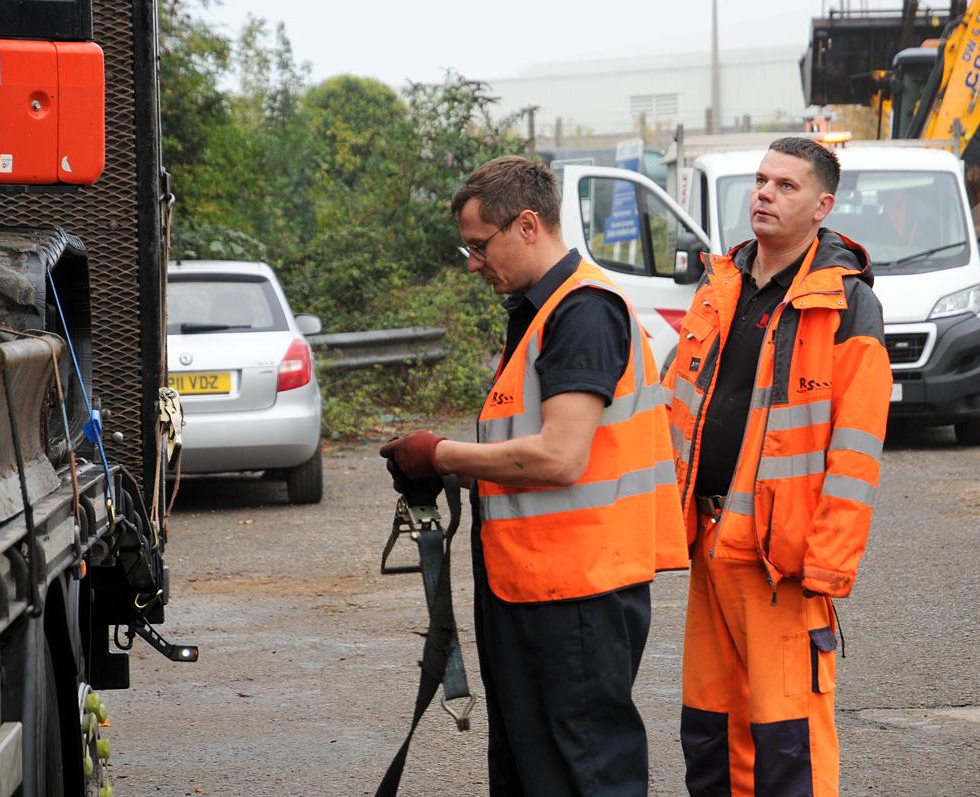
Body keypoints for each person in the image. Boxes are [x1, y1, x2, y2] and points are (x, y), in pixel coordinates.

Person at [380, 155, 688, 796]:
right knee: (535, 774)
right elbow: (529, 455)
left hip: (578, 596)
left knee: (585, 775)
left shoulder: (583, 312)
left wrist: (441, 456)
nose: (473, 264)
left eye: (478, 246)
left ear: (526, 225)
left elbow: (558, 457)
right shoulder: (538, 312)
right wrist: (446, 467)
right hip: (538, 588)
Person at [664, 137, 891, 796]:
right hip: (710, 543)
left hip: (780, 564)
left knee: (789, 742)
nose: (765, 193)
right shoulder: (721, 284)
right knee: (711, 729)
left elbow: (856, 450)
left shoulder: (847, 306)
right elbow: (675, 404)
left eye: (786, 185)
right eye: (762, 180)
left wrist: (826, 564)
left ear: (822, 206)